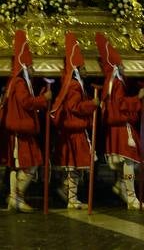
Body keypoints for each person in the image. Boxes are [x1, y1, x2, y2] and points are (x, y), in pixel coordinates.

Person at [95, 32, 144, 210]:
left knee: (126, 162)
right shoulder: (116, 83)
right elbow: (120, 104)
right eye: (122, 64)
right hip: (121, 127)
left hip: (118, 127)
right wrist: (137, 98)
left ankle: (121, 187)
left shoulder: (114, 82)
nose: (125, 67)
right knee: (129, 161)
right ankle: (131, 197)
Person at [2, 29, 51, 212]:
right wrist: (43, 99)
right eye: (30, 67)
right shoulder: (20, 83)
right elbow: (26, 102)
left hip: (21, 129)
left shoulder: (15, 82)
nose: (33, 70)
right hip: (21, 130)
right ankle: (16, 196)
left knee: (17, 167)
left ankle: (14, 198)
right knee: (31, 164)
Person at [51, 32, 98, 209]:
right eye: (83, 68)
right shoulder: (74, 85)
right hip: (74, 132)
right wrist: (92, 104)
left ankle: (68, 194)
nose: (86, 71)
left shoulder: (71, 84)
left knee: (73, 167)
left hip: (72, 131)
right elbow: (75, 107)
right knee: (74, 167)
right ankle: (72, 199)